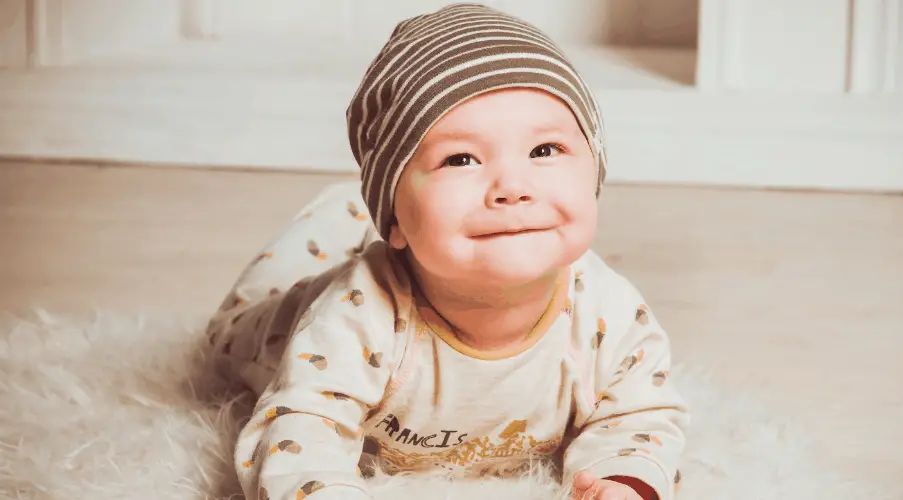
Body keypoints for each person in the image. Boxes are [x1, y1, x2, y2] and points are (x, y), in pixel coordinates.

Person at [206, 3, 690, 499]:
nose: (513, 187)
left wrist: (624, 482)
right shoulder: (355, 314)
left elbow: (640, 415)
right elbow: (299, 429)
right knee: (243, 316)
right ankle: (348, 211)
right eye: (461, 159)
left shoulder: (608, 313)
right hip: (278, 326)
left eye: (544, 150)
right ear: (394, 218)